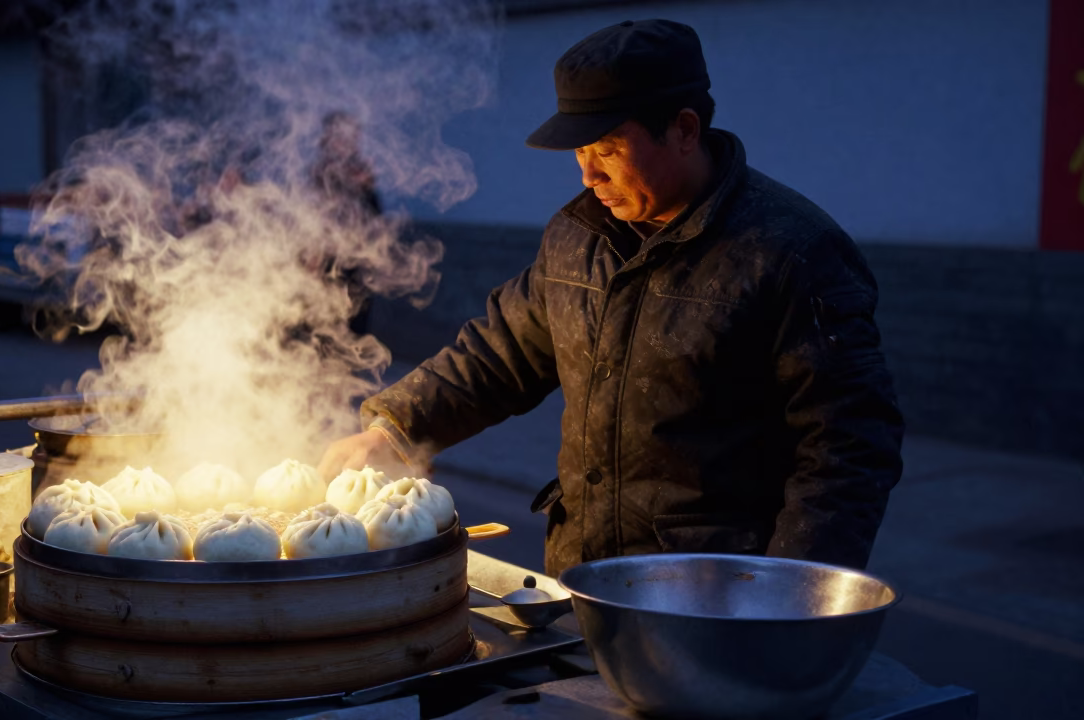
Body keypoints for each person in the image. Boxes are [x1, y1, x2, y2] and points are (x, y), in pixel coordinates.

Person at [319, 20, 905, 577]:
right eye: (578, 152)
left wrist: (791, 595)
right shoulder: (578, 236)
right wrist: (394, 428)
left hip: (716, 593)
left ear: (683, 129)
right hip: (585, 577)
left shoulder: (790, 253)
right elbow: (501, 354)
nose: (587, 177)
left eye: (607, 148)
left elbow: (847, 449)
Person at [309, 111, 381, 335]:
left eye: (351, 136)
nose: (348, 142)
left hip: (357, 263)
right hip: (325, 263)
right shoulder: (320, 173)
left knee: (354, 325)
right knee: (323, 325)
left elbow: (374, 217)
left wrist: (365, 188)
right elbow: (311, 217)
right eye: (340, 136)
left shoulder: (361, 172)